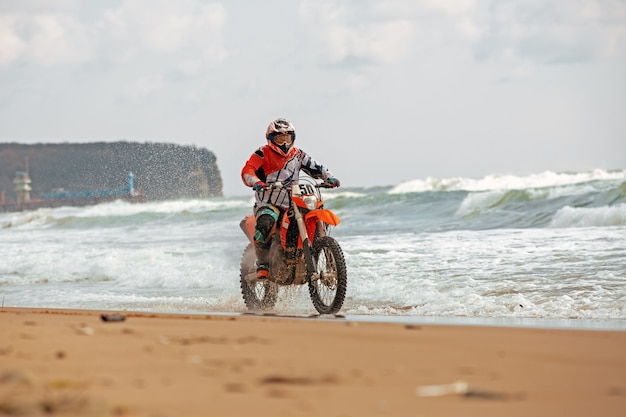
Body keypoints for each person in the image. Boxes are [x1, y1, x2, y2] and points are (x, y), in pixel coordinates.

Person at [241, 118, 340, 279]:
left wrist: (330, 177)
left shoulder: (298, 155)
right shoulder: (262, 153)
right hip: (268, 203)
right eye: (280, 138)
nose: (284, 143)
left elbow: (318, 167)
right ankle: (263, 264)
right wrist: (257, 182)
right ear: (271, 138)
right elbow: (247, 171)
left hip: (293, 202)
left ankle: (312, 253)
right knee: (266, 222)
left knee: (313, 212)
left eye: (287, 138)